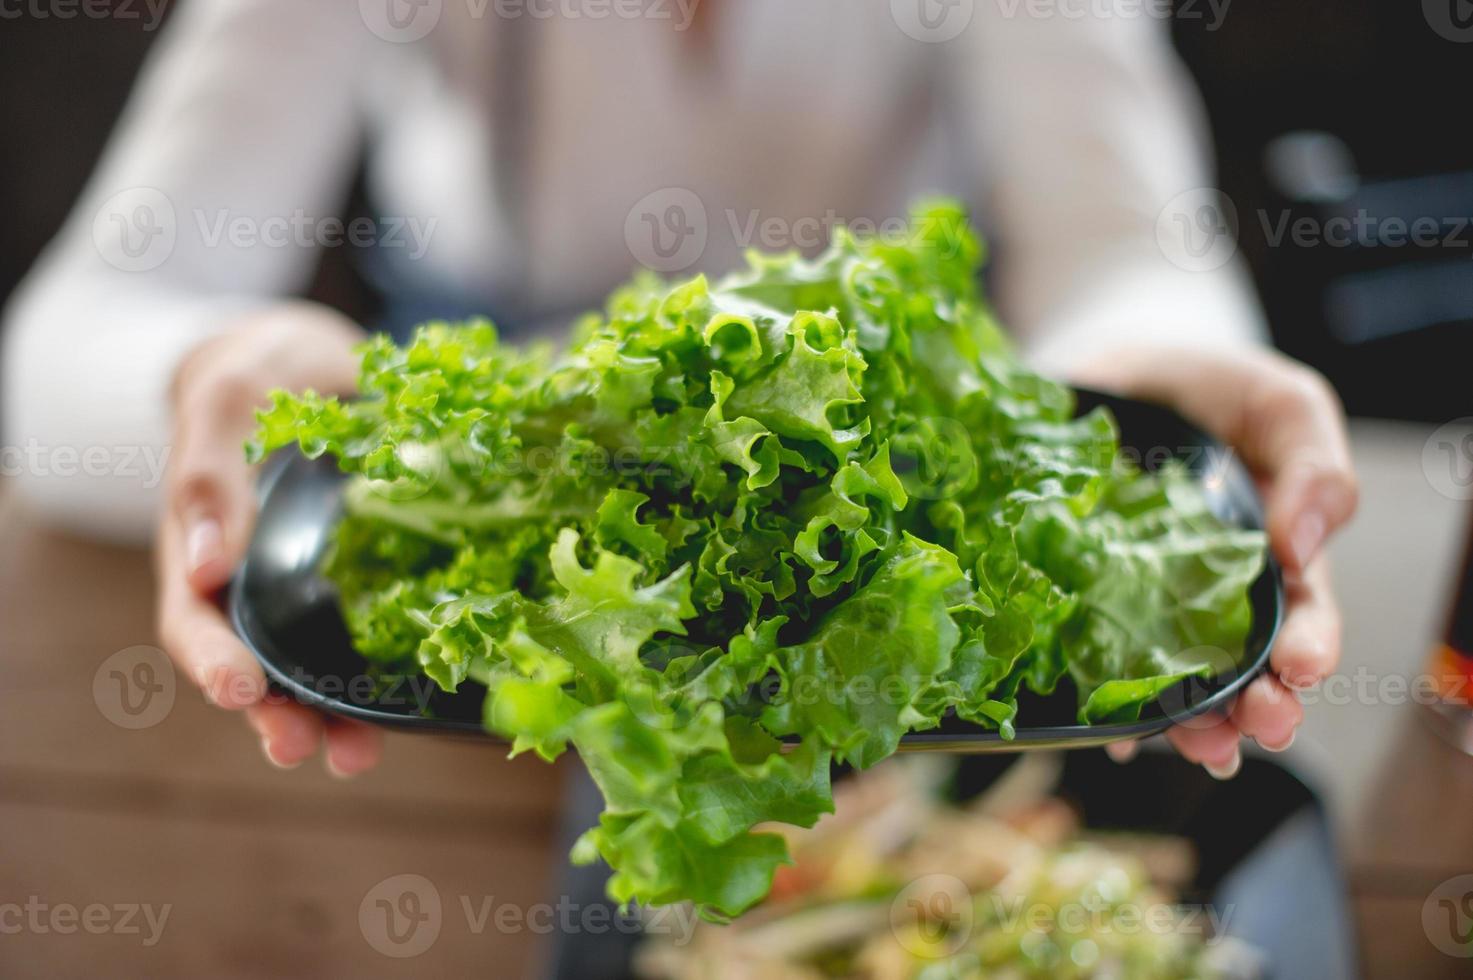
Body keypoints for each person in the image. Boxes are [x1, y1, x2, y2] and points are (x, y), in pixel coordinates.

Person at [2, 0, 1356, 779]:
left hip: (872, 603)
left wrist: (1137, 382)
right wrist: (209, 377)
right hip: (490, 658)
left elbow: (1129, 252)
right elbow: (62, 359)